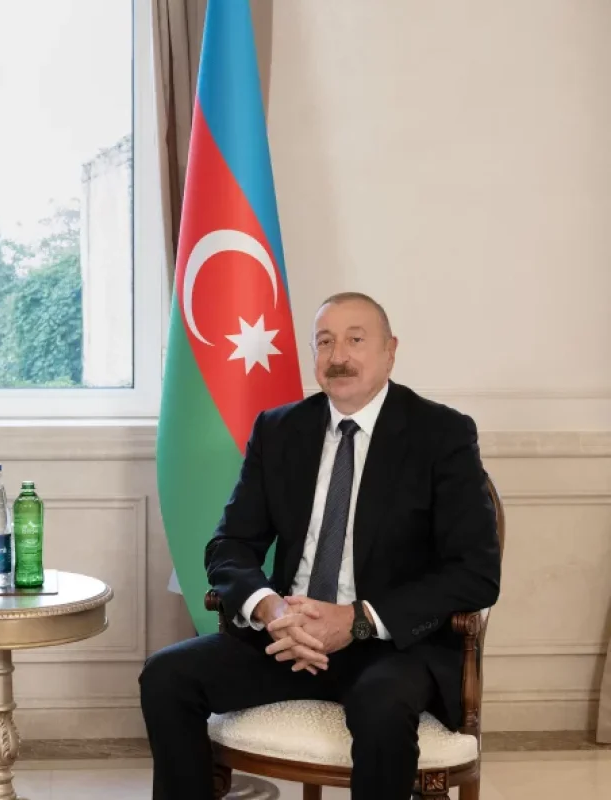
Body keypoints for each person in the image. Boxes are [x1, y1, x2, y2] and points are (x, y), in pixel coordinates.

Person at [140, 292, 501, 799]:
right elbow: (229, 545)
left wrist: (355, 620)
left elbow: (475, 572)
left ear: (390, 350)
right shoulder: (280, 429)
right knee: (166, 676)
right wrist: (269, 610)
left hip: (389, 646)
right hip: (288, 637)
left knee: (382, 706)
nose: (338, 357)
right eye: (325, 342)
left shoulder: (441, 434)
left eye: (356, 340)